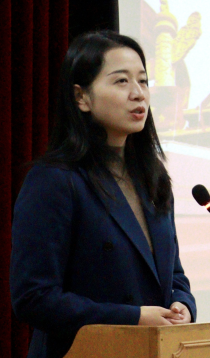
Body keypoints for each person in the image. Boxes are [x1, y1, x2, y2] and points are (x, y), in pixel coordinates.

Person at [11, 31, 196, 358]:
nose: (138, 94)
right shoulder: (55, 180)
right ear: (81, 97)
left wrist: (183, 304)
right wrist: (132, 318)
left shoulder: (153, 179)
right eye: (121, 81)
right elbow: (33, 298)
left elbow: (173, 274)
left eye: (143, 81)